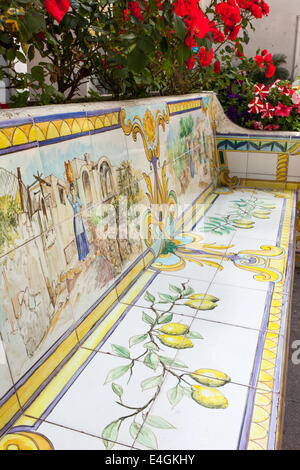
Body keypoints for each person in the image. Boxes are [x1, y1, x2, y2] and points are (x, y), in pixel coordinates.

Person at [67, 183, 90, 261]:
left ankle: (86, 252)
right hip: (75, 219)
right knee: (78, 237)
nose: (72, 191)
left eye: (73, 190)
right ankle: (82, 256)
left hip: (80, 218)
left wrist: (81, 213)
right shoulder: (70, 198)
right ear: (70, 191)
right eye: (71, 190)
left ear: (75, 190)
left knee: (83, 235)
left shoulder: (77, 198)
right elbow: (66, 195)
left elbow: (82, 206)